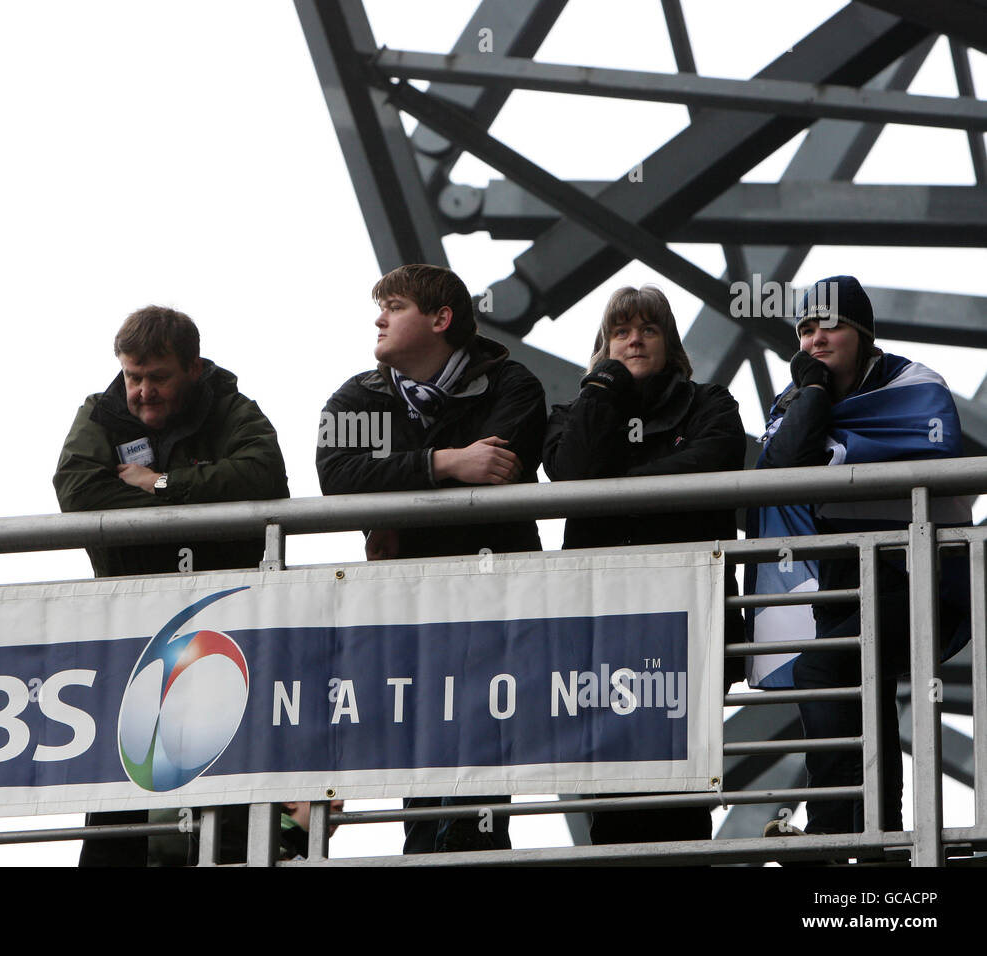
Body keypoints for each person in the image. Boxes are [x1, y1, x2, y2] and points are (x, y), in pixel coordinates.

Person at [316, 263, 547, 854]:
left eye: (393, 306)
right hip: (408, 611)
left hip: (495, 608)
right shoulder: (358, 394)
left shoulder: (512, 384)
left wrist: (397, 485)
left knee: (481, 779)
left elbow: (496, 471)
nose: (379, 317)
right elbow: (338, 477)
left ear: (441, 319)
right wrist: (443, 463)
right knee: (421, 776)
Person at [54, 305, 289, 866]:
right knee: (119, 772)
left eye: (157, 377)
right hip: (129, 624)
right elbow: (77, 491)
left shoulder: (233, 408)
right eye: (133, 377)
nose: (143, 392)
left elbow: (264, 478)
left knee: (223, 760)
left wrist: (162, 482)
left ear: (194, 368)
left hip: (223, 623)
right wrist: (191, 498)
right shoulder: (102, 412)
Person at [749, 276, 971, 837]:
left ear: (863, 331)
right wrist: (817, 394)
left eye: (830, 324)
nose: (815, 338)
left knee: (824, 669)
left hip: (924, 575)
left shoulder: (914, 383)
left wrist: (814, 408)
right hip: (845, 576)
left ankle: (830, 832)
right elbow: (782, 466)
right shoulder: (798, 397)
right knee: (862, 691)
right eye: (804, 328)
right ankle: (879, 834)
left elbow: (934, 440)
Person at [543, 284, 745, 846]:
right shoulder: (576, 411)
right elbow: (573, 473)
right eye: (621, 331)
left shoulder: (710, 403)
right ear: (604, 346)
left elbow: (715, 457)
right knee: (610, 796)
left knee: (684, 795)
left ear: (670, 343)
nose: (634, 340)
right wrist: (601, 394)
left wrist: (617, 490)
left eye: (648, 329)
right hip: (601, 625)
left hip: (688, 619)